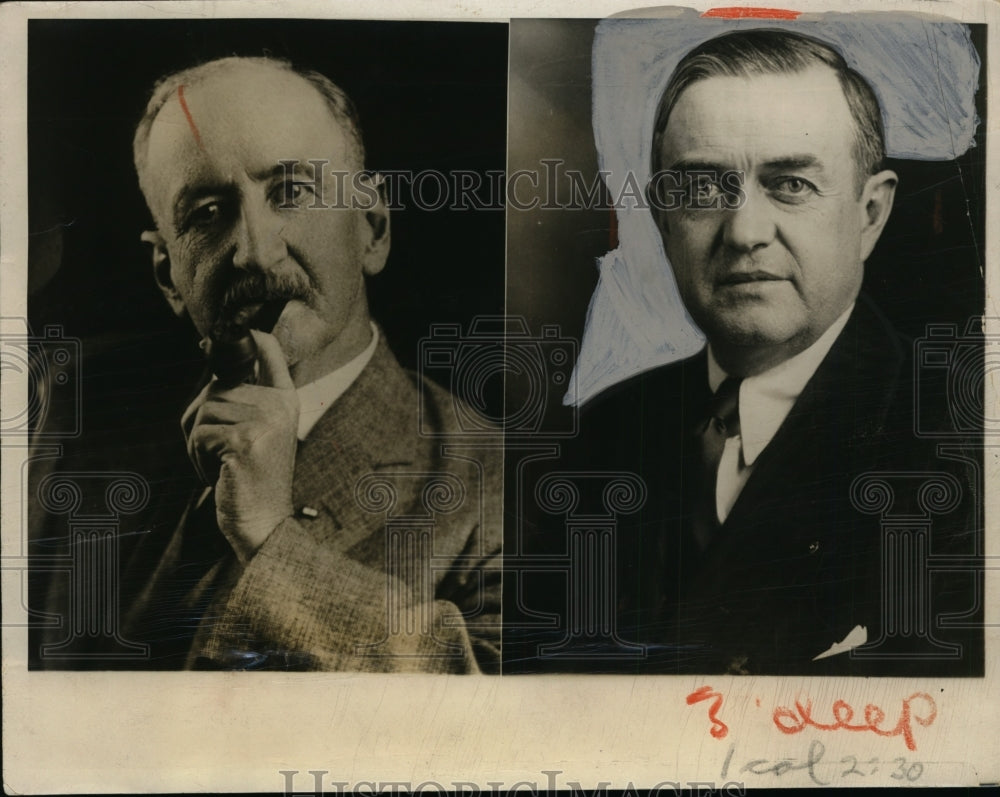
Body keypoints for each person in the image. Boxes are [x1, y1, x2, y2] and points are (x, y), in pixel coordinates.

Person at [525, 29, 982, 676]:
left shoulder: (962, 445)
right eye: (703, 188)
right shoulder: (598, 436)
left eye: (790, 183)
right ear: (661, 218)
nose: (743, 232)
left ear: (870, 213)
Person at [113, 56, 501, 671]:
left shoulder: (501, 484)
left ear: (371, 229)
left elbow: (487, 728)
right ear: (168, 276)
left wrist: (270, 536)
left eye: (291, 191)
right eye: (207, 214)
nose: (255, 254)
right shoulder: (72, 472)